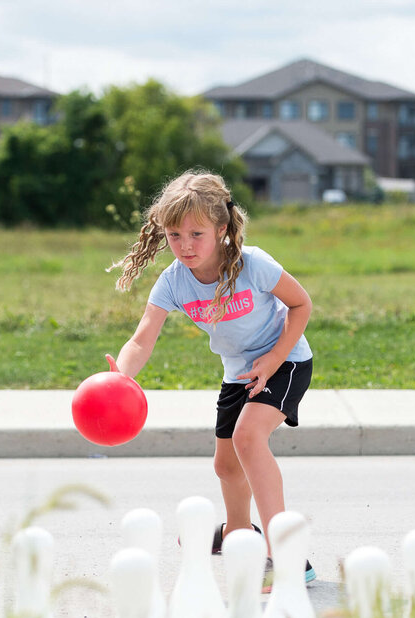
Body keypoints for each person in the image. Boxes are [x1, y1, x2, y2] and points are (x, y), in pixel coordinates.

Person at [109, 170, 316, 592]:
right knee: (226, 465)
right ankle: (240, 535)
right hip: (238, 372)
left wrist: (275, 358)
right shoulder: (173, 281)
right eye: (174, 235)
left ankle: (285, 556)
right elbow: (141, 339)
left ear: (222, 229)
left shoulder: (252, 264)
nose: (185, 246)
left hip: (287, 360)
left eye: (196, 234)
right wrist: (120, 378)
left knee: (248, 439)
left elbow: (301, 305)